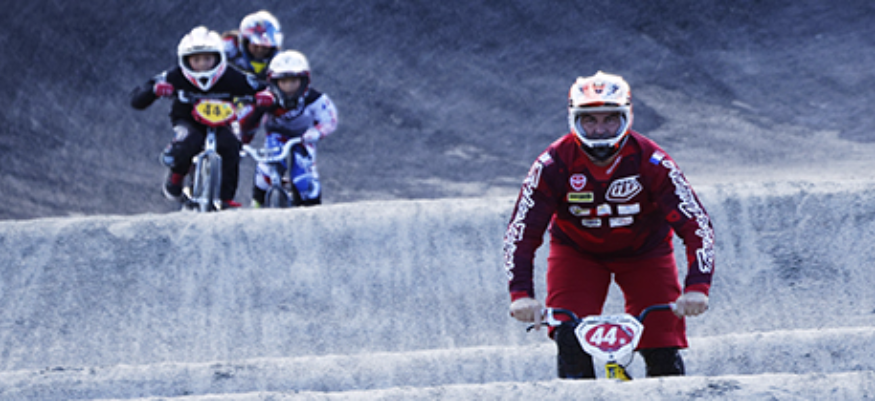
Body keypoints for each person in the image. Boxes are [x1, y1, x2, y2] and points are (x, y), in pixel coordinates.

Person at [503, 71, 715, 379]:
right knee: (569, 336)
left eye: (610, 120)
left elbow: (696, 225)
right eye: (589, 120)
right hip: (577, 254)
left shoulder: (653, 161)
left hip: (646, 254)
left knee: (661, 344)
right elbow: (522, 231)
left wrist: (697, 287)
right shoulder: (552, 163)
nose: (600, 129)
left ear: (627, 117)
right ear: (573, 119)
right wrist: (521, 294)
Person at [130, 26, 269, 209]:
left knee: (231, 145)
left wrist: (265, 95)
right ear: (186, 60)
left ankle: (225, 197)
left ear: (218, 58)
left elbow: (259, 85)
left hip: (222, 121)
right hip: (187, 119)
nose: (202, 64)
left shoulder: (230, 75)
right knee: (190, 140)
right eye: (196, 59)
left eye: (207, 59)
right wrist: (154, 91)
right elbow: (137, 99)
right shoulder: (174, 75)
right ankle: (176, 176)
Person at [242, 50, 338, 207]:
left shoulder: (315, 99)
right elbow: (246, 120)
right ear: (274, 82)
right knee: (266, 169)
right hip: (276, 135)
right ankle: (257, 202)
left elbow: (330, 120)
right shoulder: (265, 98)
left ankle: (313, 210)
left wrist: (317, 132)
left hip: (303, 137)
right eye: (283, 81)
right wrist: (242, 137)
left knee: (305, 178)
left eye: (293, 81)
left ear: (304, 80)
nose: (289, 86)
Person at [222, 10, 284, 82]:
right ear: (245, 42)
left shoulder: (280, 63)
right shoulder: (225, 51)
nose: (260, 50)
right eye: (255, 46)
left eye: (265, 47)